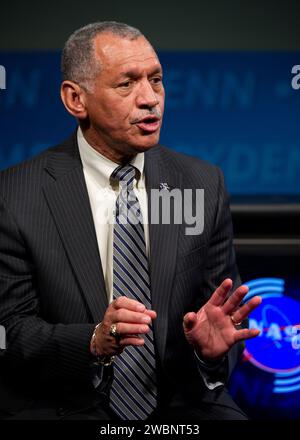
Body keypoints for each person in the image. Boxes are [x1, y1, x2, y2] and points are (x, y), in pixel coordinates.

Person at [0, 21, 261, 421]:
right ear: (75, 100)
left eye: (155, 80)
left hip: (179, 404)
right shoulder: (16, 195)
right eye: (126, 84)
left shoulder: (201, 183)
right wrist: (92, 340)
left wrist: (209, 354)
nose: (150, 99)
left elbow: (219, 320)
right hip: (64, 403)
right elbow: (11, 333)